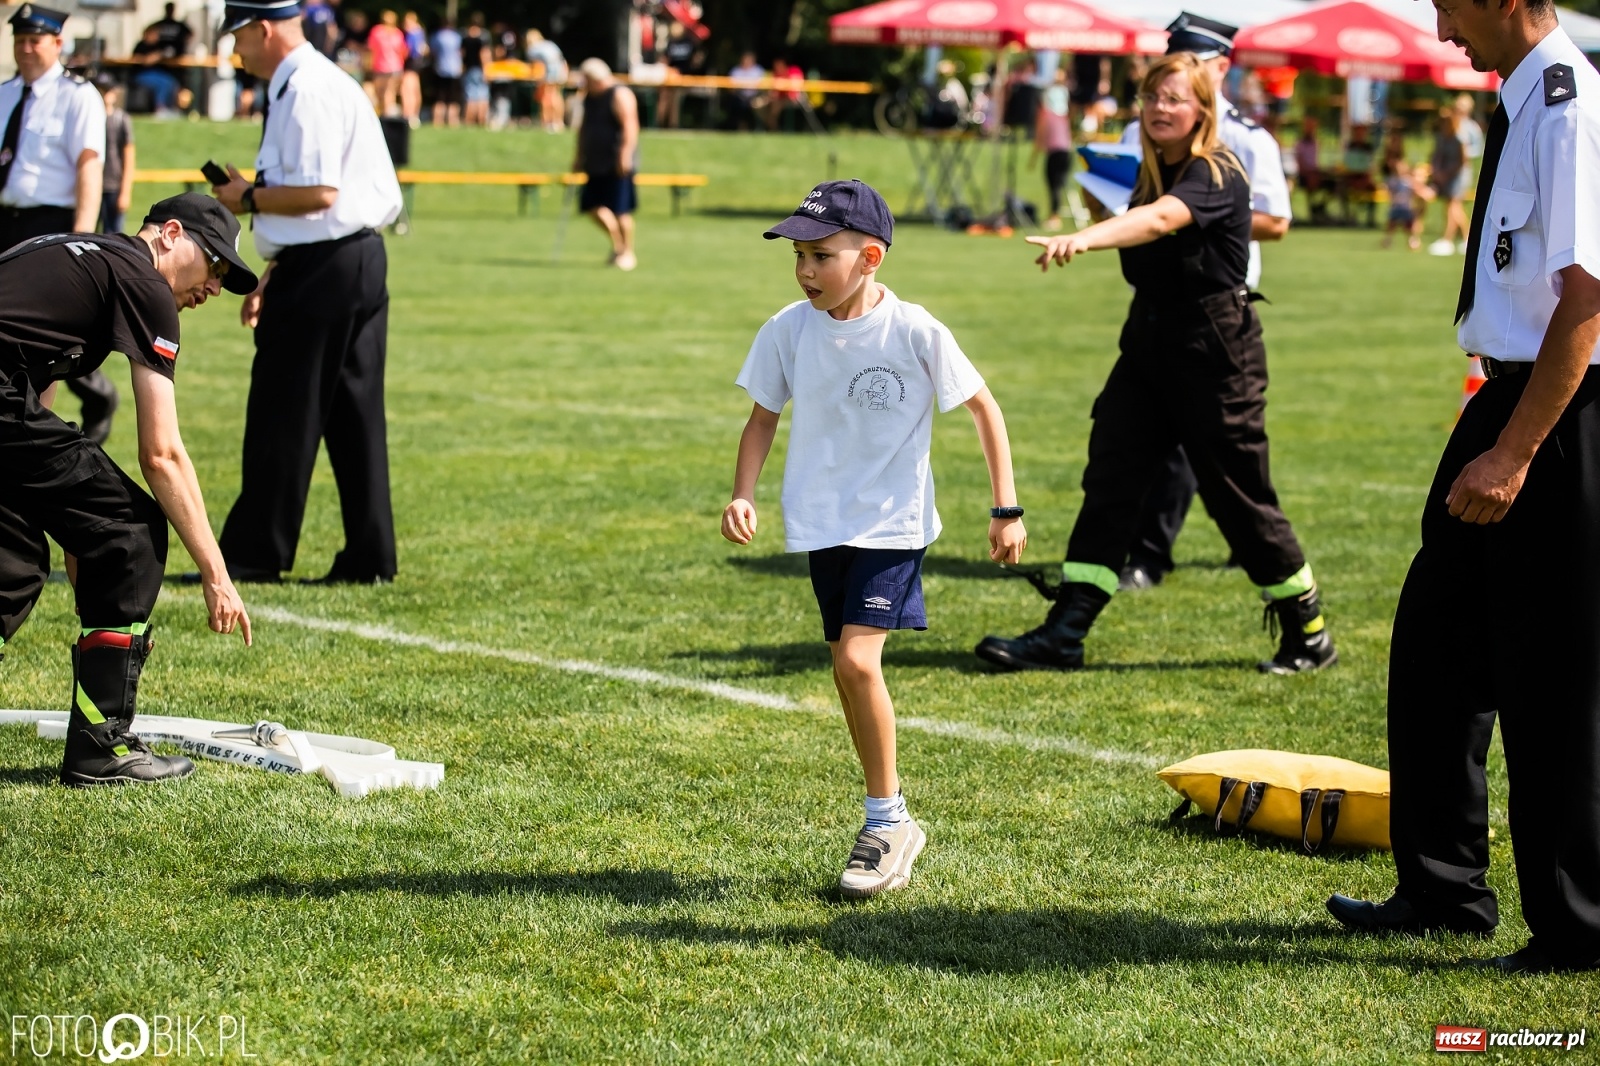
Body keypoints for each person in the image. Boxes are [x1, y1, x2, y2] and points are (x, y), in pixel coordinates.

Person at [1326, 0, 1600, 976]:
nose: (1441, 27)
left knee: (1553, 678)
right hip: (1505, 396)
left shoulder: (1568, 105)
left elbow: (1588, 298)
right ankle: (1443, 890)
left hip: (1557, 414)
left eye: (1447, 4)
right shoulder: (1521, 100)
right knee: (1437, 645)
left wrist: (1518, 451)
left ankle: (1577, 926)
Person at [975, 52, 1335, 676]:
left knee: (1238, 498)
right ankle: (1066, 630)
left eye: (1175, 98)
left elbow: (1162, 219)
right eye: (1152, 98)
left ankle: (1308, 630)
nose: (1161, 109)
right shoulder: (1144, 172)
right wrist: (1094, 206)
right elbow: (1140, 215)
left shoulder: (1215, 171)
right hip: (1148, 346)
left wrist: (1085, 237)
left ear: (1202, 110)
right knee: (1110, 476)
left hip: (1216, 353)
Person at [723, 179, 1027, 897]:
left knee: (858, 662)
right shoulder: (789, 330)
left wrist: (1004, 508)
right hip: (822, 522)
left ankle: (887, 821)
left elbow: (983, 408)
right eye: (798, 255)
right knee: (843, 667)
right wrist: (743, 494)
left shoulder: (915, 331)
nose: (804, 271)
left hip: (893, 522)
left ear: (870, 257)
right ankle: (887, 815)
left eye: (820, 256)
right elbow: (762, 419)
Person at [0, 193, 255, 786]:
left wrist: (74, 527)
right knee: (132, 530)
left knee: (10, 564)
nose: (215, 286)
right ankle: (101, 746)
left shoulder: (81, 252)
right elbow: (161, 455)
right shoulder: (144, 283)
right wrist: (217, 576)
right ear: (170, 234)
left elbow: (30, 372)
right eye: (214, 265)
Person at [209, 0, 403, 585]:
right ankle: (370, 556)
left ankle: (253, 553)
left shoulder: (305, 89)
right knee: (354, 417)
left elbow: (318, 192)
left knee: (281, 408)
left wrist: (245, 198)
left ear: (263, 29)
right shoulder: (316, 83)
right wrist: (274, 269)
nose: (235, 50)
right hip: (351, 258)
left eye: (238, 36)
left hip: (325, 265)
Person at [1113, 13, 1294, 592]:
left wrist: (1204, 216)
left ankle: (1263, 555)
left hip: (1218, 307)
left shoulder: (1243, 139)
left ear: (1220, 68)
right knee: (1139, 443)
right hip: (1155, 301)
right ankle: (1144, 555)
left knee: (1227, 456)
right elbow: (1123, 199)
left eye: (1194, 63)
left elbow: (1276, 219)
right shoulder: (1142, 127)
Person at [0, 5, 119, 446]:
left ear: (57, 43)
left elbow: (89, 167)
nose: (26, 49)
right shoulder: (6, 93)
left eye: (35, 40)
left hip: (49, 224)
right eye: (19, 40)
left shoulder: (77, 96)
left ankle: (31, 430)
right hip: (6, 219)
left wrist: (77, 240)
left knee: (41, 339)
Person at [573, 58, 639, 272]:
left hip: (617, 161)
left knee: (621, 210)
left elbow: (630, 125)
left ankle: (626, 251)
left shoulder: (619, 94)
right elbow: (583, 129)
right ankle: (618, 245)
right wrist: (578, 156)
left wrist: (625, 153)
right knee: (592, 207)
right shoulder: (589, 98)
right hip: (594, 161)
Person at [1033, 67, 1072, 232]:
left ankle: (1054, 217)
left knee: (1054, 185)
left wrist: (1034, 156)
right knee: (1057, 185)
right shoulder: (1062, 115)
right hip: (1064, 151)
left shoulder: (1048, 115)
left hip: (1056, 152)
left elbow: (1041, 136)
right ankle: (1054, 215)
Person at [1428, 108, 1468, 255]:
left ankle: (1448, 239)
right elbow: (1436, 156)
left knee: (1453, 206)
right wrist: (1437, 171)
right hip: (1445, 174)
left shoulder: (1459, 139)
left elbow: (1463, 161)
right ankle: (1466, 238)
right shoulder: (1442, 138)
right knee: (1452, 207)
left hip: (1458, 175)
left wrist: (1446, 173)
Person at [97, 76, 133, 236]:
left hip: (113, 185)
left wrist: (125, 191)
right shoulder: (91, 118)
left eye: (108, 90)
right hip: (93, 184)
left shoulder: (120, 119)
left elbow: (129, 156)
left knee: (113, 235)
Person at [131, 24, 183, 116]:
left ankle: (171, 108)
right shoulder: (141, 46)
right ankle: (160, 107)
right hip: (141, 75)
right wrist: (159, 55)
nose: (157, 36)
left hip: (157, 74)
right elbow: (145, 61)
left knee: (172, 82)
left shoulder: (158, 46)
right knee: (164, 83)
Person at [1380, 159, 1430, 251]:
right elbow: (1387, 188)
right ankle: (1387, 240)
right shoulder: (1393, 180)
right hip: (1396, 207)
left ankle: (1413, 242)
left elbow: (1417, 189)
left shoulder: (1409, 181)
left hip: (1406, 208)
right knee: (1391, 225)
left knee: (1409, 227)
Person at [366, 10, 407, 117]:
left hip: (380, 67)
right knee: (389, 93)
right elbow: (403, 51)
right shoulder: (398, 33)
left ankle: (385, 115)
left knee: (381, 92)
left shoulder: (376, 31)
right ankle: (387, 115)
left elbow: (371, 50)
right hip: (395, 67)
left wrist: (369, 65)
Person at [525, 29, 566, 133]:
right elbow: (561, 59)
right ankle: (558, 122)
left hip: (549, 71)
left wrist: (538, 79)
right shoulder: (550, 44)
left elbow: (536, 67)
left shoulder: (533, 49)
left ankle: (546, 122)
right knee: (557, 95)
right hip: (560, 69)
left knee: (546, 97)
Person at [430, 17, 462, 127]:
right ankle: (452, 121)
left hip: (440, 69)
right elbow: (460, 52)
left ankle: (437, 121)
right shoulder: (456, 37)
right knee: (453, 98)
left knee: (439, 96)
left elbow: (433, 52)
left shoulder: (437, 36)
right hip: (454, 70)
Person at [460, 14, 489, 127]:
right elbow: (484, 54)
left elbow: (462, 54)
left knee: (470, 96)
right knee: (482, 95)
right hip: (479, 69)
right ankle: (481, 120)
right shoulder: (483, 37)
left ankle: (469, 120)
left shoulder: (465, 37)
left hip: (468, 69)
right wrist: (486, 69)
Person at [399, 11, 427, 127]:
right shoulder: (421, 32)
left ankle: (408, 115)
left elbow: (407, 50)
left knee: (407, 90)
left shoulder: (412, 33)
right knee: (415, 90)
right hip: (417, 64)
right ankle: (415, 115)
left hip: (410, 64)